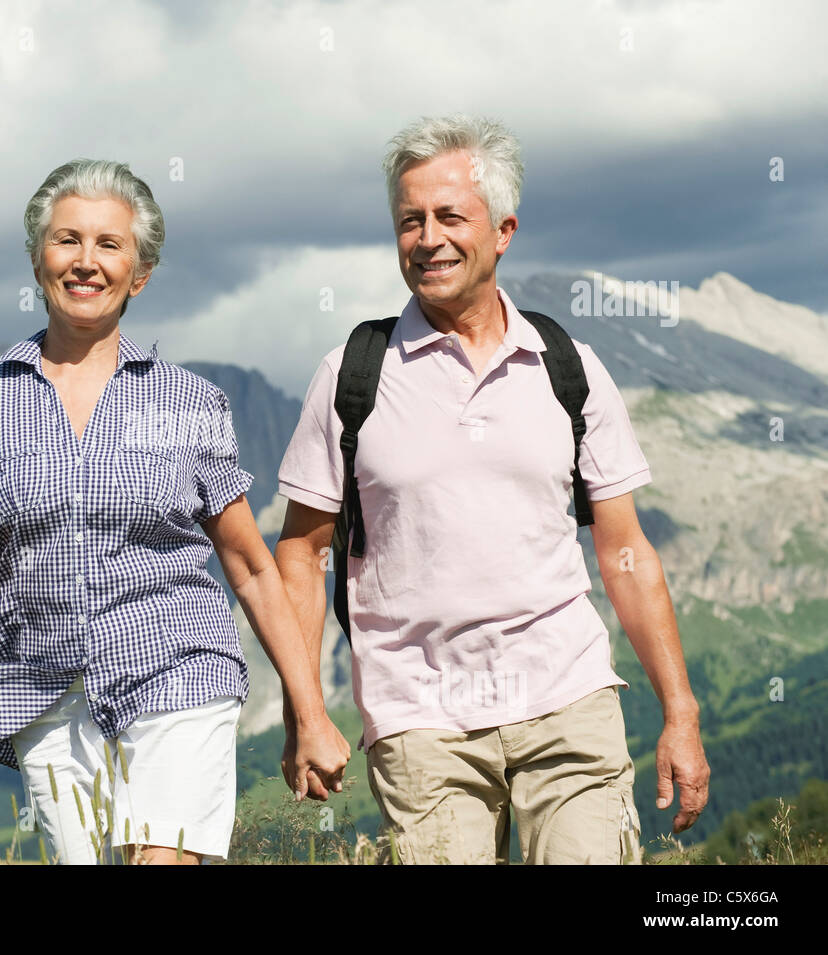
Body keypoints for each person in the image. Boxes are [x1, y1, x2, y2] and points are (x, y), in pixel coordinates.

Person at [273, 115, 710, 864]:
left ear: (503, 230)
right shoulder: (352, 374)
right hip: (421, 723)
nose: (428, 237)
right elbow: (301, 555)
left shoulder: (567, 365)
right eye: (410, 220)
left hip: (569, 701)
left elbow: (627, 551)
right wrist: (303, 711)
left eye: (450, 216)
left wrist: (680, 709)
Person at [0, 158, 349, 865]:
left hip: (180, 670)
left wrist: (311, 712)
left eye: (109, 245)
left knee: (160, 859)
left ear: (139, 274)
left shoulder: (187, 404)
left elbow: (252, 567)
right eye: (67, 240)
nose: (86, 261)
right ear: (36, 259)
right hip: (43, 693)